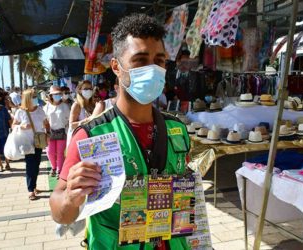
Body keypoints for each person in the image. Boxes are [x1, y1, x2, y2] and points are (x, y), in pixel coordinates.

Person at [50, 13, 191, 249]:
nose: (153, 69)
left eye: (160, 60)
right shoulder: (91, 135)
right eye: (140, 60)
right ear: (116, 66)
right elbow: (60, 214)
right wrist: (71, 197)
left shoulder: (177, 129)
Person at [12, 89, 49, 200]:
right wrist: (22, 127)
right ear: (27, 98)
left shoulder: (40, 110)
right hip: (26, 143)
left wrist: (48, 133)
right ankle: (30, 190)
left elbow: (46, 124)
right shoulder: (20, 112)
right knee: (30, 166)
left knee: (36, 165)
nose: (35, 98)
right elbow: (13, 125)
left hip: (38, 142)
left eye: (35, 96)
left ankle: (34, 186)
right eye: (33, 96)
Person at [44, 86, 70, 178]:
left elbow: (69, 119)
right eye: (55, 94)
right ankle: (53, 167)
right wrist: (46, 132)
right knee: (50, 152)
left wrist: (67, 131)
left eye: (59, 94)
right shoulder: (46, 107)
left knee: (60, 152)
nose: (57, 96)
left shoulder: (65, 106)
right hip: (50, 132)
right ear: (51, 95)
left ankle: (59, 170)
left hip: (62, 131)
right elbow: (44, 120)